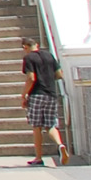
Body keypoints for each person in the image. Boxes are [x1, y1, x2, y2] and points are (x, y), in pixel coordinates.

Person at [20, 36, 68, 165]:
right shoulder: (49, 56)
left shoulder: (29, 58)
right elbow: (59, 74)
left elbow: (31, 78)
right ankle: (60, 145)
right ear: (37, 45)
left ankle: (39, 157)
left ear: (25, 47)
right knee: (51, 125)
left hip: (36, 94)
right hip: (51, 94)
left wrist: (24, 95)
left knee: (37, 126)